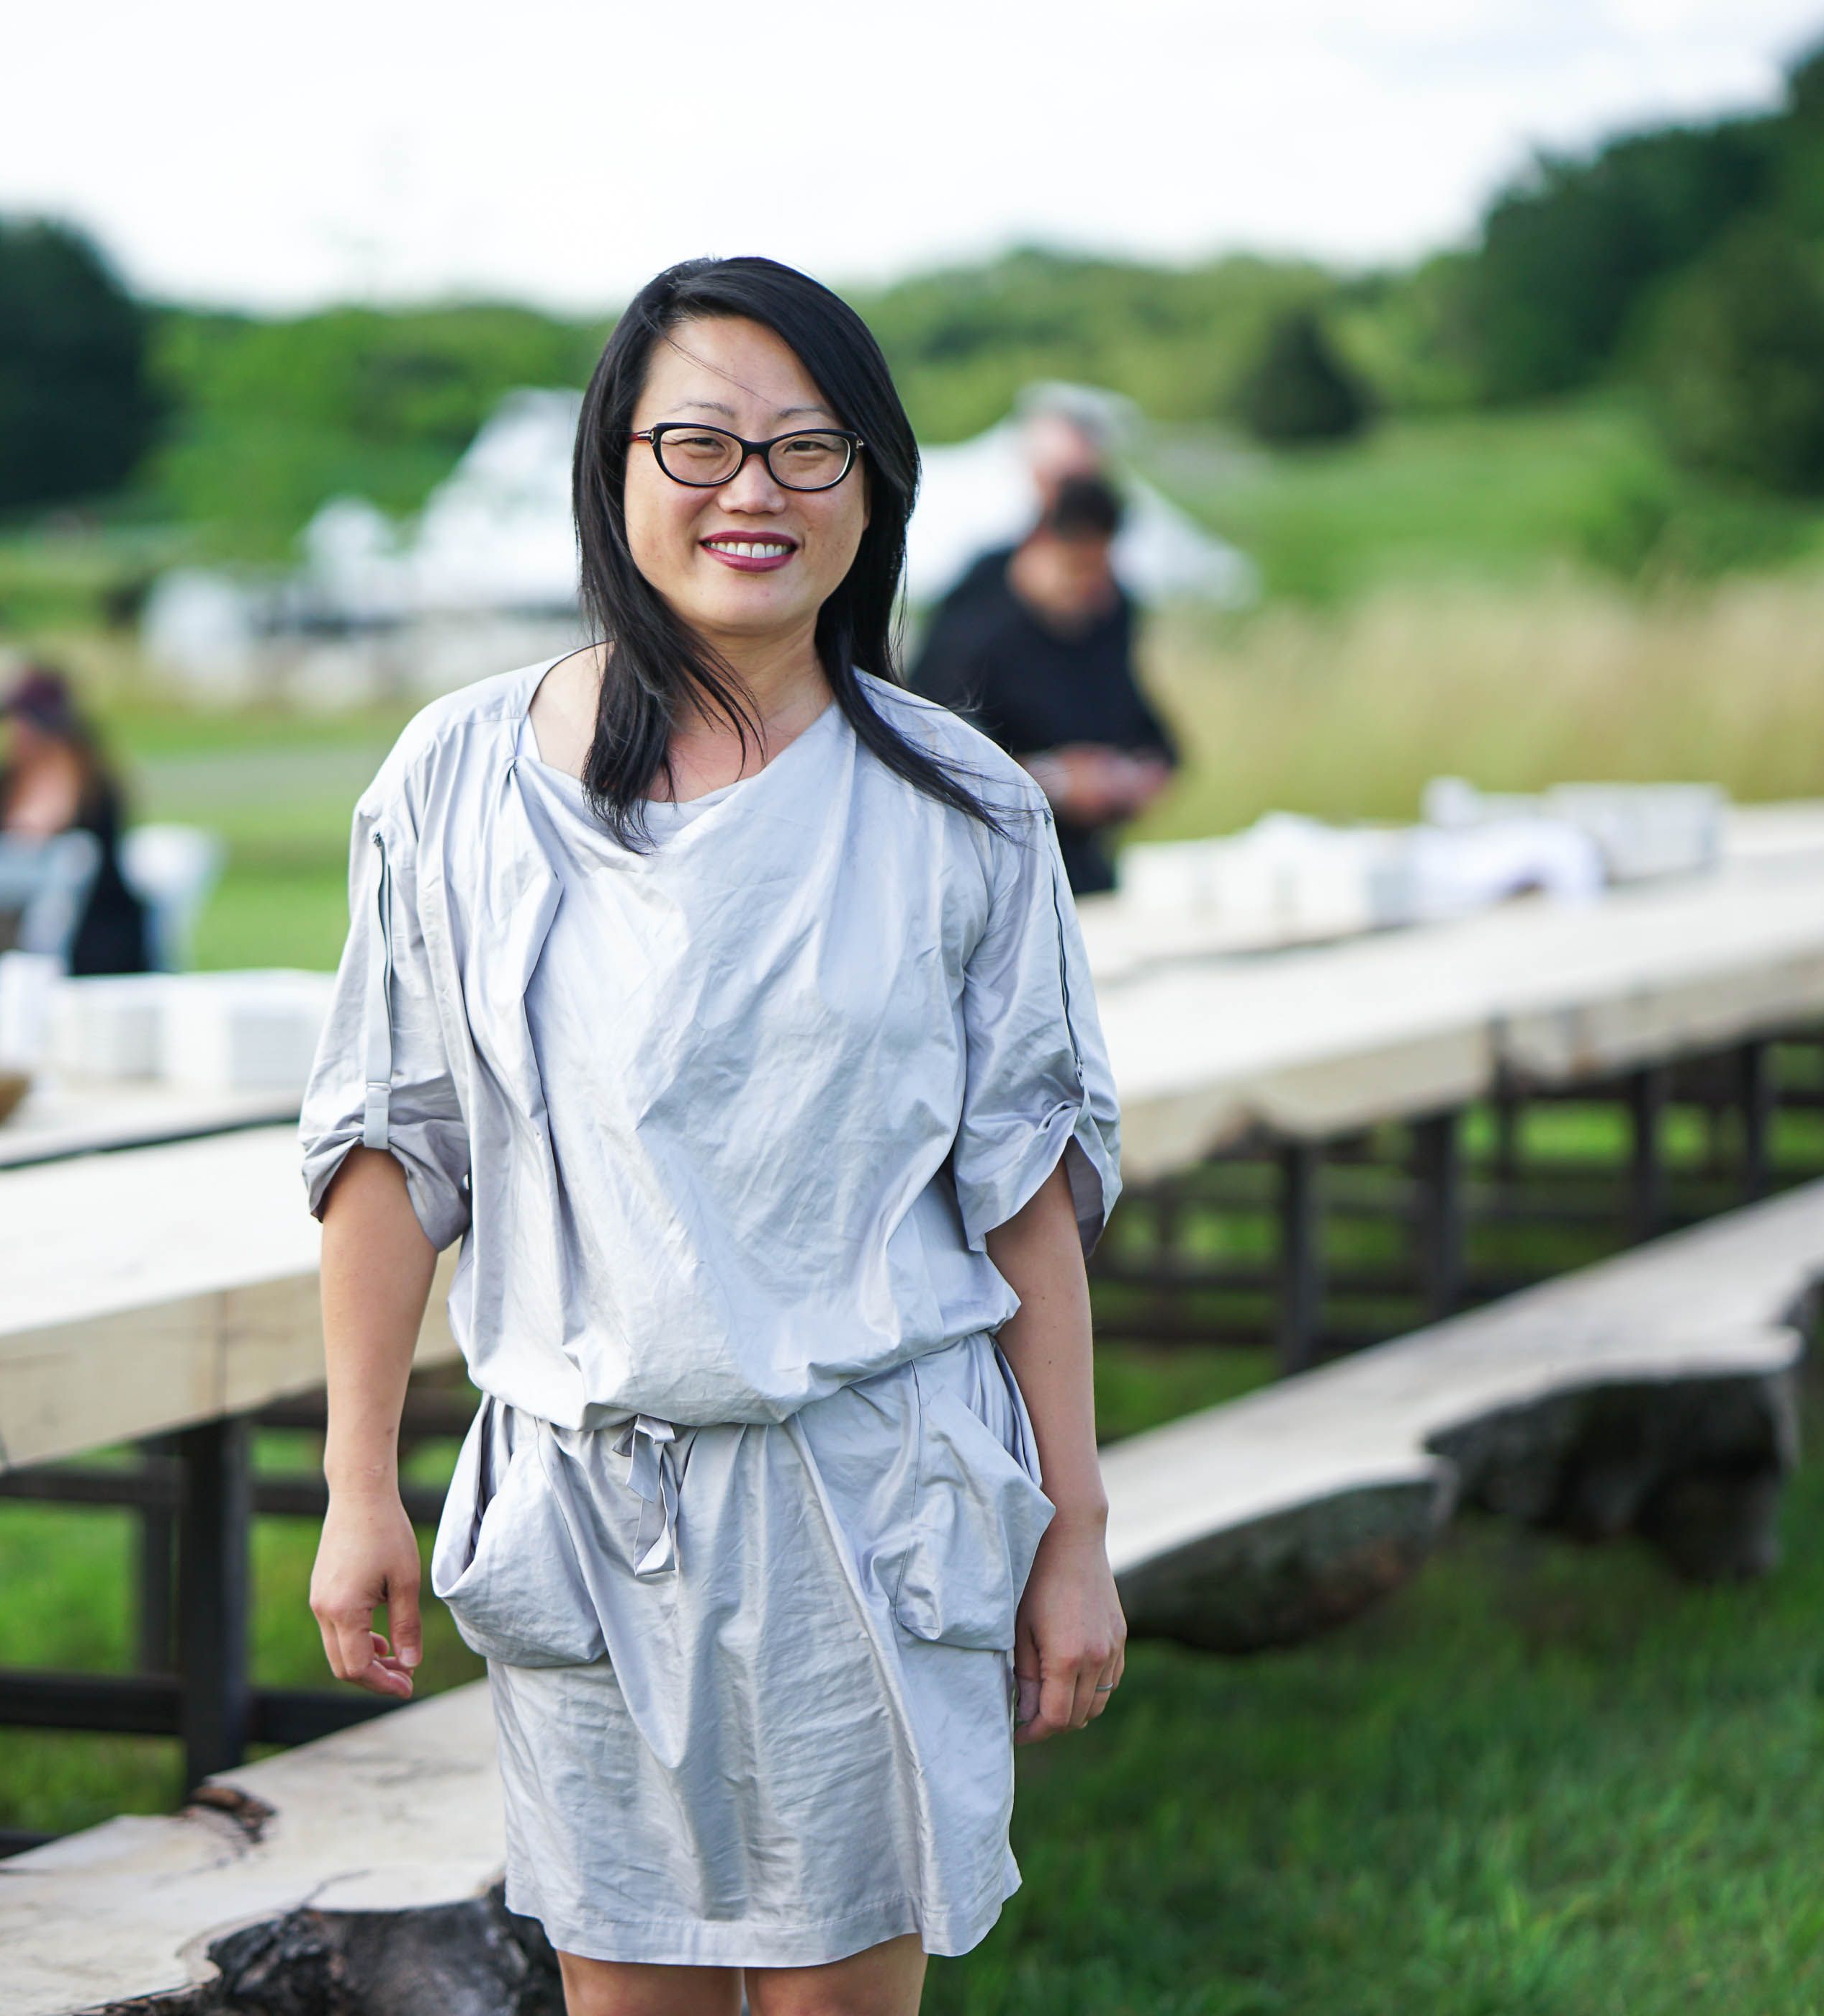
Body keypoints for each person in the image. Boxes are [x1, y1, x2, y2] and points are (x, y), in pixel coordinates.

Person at [301, 257, 1126, 2015]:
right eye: (700, 442)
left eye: (807, 448)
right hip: (592, 1503)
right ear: (613, 471)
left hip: (873, 1491)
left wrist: (1076, 1531)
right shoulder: (456, 782)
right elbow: (395, 1146)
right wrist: (356, 1485)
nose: (752, 492)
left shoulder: (964, 806)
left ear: (873, 489)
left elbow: (1027, 1197)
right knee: (630, 2000)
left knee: (839, 2000)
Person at [909, 476, 1179, 896]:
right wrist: (1054, 780)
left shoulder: (1109, 614)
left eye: (1098, 571)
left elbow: (1143, 724)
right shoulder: (976, 618)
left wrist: (1135, 774)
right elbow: (935, 751)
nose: (1085, 587)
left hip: (1081, 862)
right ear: (1038, 546)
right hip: (985, 866)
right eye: (1075, 569)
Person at [0, 660, 152, 975]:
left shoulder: (84, 780)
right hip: (19, 928)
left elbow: (51, 848)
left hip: (90, 934)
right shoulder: (7, 779)